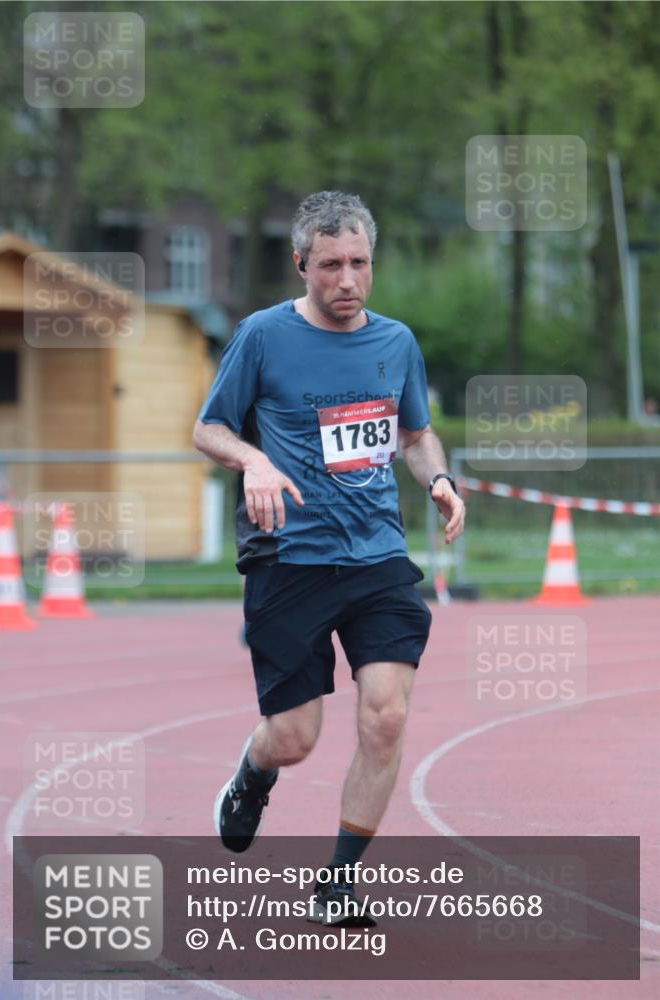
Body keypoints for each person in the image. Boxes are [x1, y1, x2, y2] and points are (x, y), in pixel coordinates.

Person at [193, 191, 465, 926]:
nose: (347, 280)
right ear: (301, 264)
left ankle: (337, 883)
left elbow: (413, 435)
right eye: (330, 266)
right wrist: (251, 460)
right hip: (290, 560)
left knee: (384, 717)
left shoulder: (395, 342)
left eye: (359, 264)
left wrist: (437, 478)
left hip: (377, 556)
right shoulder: (261, 336)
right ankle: (252, 775)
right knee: (295, 738)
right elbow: (208, 427)